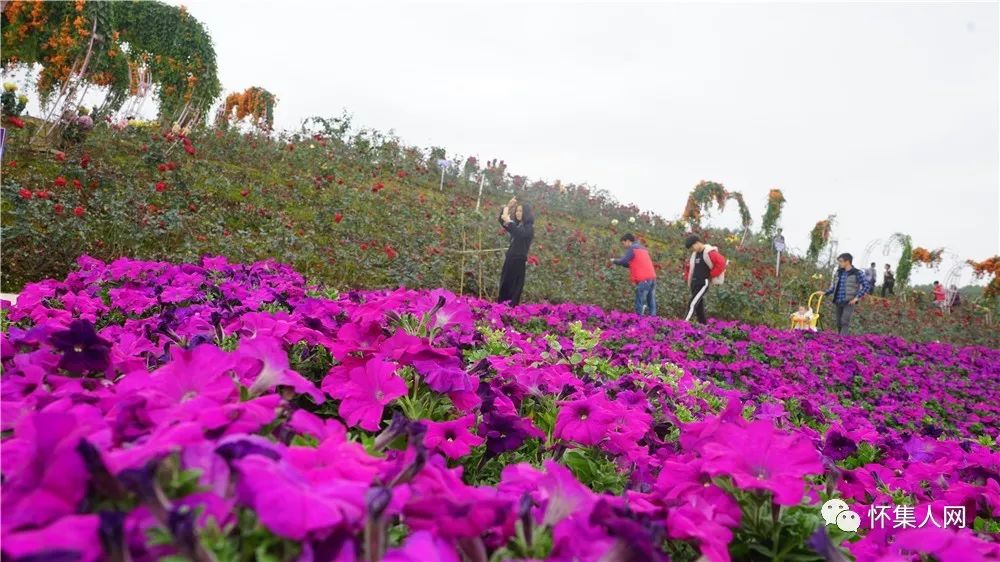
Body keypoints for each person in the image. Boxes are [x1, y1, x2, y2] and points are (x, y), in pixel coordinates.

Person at [497, 197, 534, 306]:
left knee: (513, 289)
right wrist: (508, 206)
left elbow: (520, 233)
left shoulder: (529, 228)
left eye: (520, 211)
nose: (518, 213)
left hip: (518, 261)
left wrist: (509, 221)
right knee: (505, 285)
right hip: (510, 259)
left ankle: (510, 311)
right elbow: (502, 220)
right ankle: (500, 309)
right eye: (517, 210)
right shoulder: (518, 225)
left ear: (526, 213)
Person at [683, 235, 727, 323]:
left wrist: (710, 275)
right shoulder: (694, 254)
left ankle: (684, 323)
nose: (692, 249)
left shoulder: (710, 252)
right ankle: (703, 325)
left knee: (692, 303)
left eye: (692, 246)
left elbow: (721, 263)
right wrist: (687, 277)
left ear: (697, 243)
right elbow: (690, 268)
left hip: (703, 282)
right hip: (694, 282)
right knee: (699, 306)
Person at [823, 253, 870, 335]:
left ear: (847, 261)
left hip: (849, 301)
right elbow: (834, 287)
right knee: (838, 322)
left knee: (844, 321)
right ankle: (840, 340)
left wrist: (856, 298)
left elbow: (866, 286)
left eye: (841, 261)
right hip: (838, 300)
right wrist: (825, 293)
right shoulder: (838, 272)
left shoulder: (857, 273)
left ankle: (842, 341)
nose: (839, 263)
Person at [611, 233, 657, 315]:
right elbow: (631, 264)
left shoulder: (632, 248)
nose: (624, 245)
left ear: (628, 241)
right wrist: (620, 263)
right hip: (652, 278)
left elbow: (623, 261)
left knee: (639, 300)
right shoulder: (642, 249)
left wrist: (614, 260)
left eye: (623, 243)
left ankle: (638, 320)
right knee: (651, 300)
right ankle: (653, 320)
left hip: (644, 279)